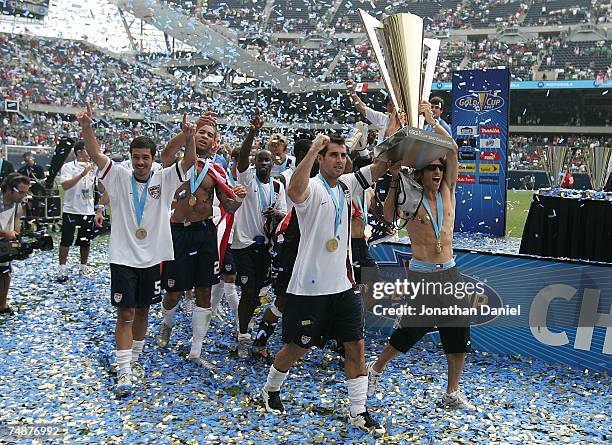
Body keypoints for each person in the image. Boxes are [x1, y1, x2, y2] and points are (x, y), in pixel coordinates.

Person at [261, 134, 395, 436]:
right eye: (332, 154)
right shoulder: (311, 188)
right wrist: (311, 150)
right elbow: (294, 190)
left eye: (342, 155)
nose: (338, 159)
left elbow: (380, 167)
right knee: (297, 347)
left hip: (343, 285)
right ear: (320, 159)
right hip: (310, 287)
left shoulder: (348, 184)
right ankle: (270, 389)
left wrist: (400, 136)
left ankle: (358, 410)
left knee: (355, 346)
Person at [76, 103, 196, 395]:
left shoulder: (164, 178)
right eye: (136, 157)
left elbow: (189, 163)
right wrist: (87, 127)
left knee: (143, 312)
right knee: (125, 314)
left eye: (145, 158)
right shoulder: (117, 176)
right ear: (130, 159)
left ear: (153, 159)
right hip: (123, 258)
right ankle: (124, 371)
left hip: (152, 258)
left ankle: (135, 360)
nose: (140, 162)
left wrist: (189, 137)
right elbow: (95, 154)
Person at [367, 102, 473, 409]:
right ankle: (376, 369)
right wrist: (392, 179)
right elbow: (387, 217)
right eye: (433, 169)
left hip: (450, 271)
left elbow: (451, 148)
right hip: (423, 274)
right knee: (411, 331)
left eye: (440, 169)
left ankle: (452, 393)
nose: (439, 173)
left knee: (458, 332)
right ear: (421, 173)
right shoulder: (410, 199)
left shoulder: (448, 191)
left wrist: (431, 120)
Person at [156, 112, 246, 369]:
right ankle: (167, 324)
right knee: (173, 291)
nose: (204, 137)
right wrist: (185, 134)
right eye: (201, 132)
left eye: (210, 134)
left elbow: (228, 206)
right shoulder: (176, 165)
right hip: (178, 232)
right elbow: (165, 152)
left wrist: (238, 198)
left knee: (205, 290)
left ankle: (196, 349)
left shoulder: (216, 171)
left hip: (204, 232)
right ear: (193, 134)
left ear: (215, 142)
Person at [251, 138, 315, 358]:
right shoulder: (289, 178)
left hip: (313, 249)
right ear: (301, 156)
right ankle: (260, 340)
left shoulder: (321, 179)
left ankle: (308, 341)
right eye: (313, 153)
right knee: (283, 299)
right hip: (292, 247)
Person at [234, 109, 287, 358]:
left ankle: (248, 329)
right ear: (255, 163)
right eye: (260, 160)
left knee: (257, 293)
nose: (263, 164)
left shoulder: (278, 187)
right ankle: (243, 336)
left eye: (268, 161)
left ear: (273, 164)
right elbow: (243, 157)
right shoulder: (246, 180)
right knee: (248, 291)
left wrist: (274, 214)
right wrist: (253, 131)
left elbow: (284, 216)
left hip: (265, 246)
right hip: (244, 245)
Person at [56, 140, 103, 281]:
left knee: (85, 241)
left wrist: (100, 180)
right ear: (79, 152)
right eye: (87, 150)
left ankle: (83, 267)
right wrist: (83, 174)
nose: (89, 153)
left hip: (87, 210)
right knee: (66, 240)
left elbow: (99, 189)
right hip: (71, 209)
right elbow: (65, 186)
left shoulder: (93, 168)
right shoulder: (68, 167)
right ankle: (62, 268)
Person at [0, 173, 30, 316]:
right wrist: (5, 233)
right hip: (3, 235)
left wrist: (16, 237)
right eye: (21, 192)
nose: (24, 196)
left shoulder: (17, 204)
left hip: (5, 241)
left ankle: (2, 304)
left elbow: (17, 220)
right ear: (9, 189)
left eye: (26, 192)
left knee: (6, 273)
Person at [346, 79, 402, 144]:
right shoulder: (382, 118)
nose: (393, 107)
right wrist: (352, 91)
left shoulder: (410, 119)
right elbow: (362, 108)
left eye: (394, 104)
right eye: (390, 104)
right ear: (387, 108)